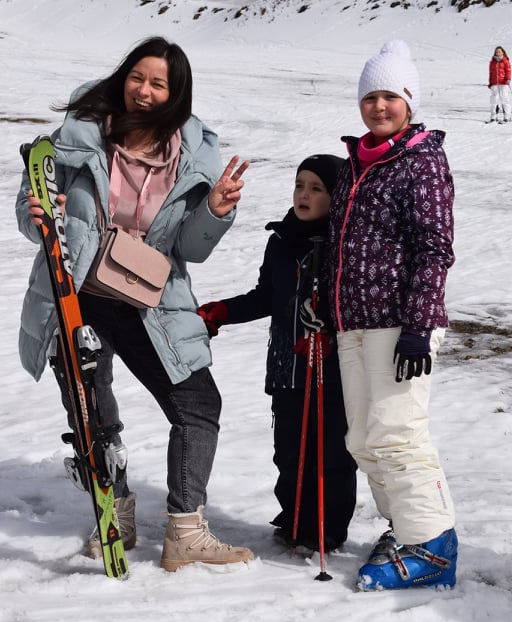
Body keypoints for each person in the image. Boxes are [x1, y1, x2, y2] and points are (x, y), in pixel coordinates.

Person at [15, 35, 254, 572]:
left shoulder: (191, 157)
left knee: (197, 406)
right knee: (92, 413)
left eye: (158, 84)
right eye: (137, 78)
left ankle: (186, 531)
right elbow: (34, 218)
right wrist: (36, 214)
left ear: (176, 93)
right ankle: (114, 513)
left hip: (151, 302)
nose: (143, 91)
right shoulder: (79, 137)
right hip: (76, 296)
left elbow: (190, 248)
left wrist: (214, 211)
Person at [327, 39, 458, 590]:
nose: (378, 106)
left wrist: (419, 327)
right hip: (353, 323)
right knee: (363, 440)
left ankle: (433, 546)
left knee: (399, 436)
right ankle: (405, 527)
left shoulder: (421, 162)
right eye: (369, 96)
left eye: (390, 96)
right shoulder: (355, 164)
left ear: (410, 102)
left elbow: (434, 248)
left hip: (401, 325)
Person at [197, 155, 357, 554]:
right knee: (289, 451)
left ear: (337, 196)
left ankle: (327, 528)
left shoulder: (348, 243)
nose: (304, 195)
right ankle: (295, 518)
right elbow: (266, 296)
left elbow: (357, 305)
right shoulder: (281, 240)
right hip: (288, 368)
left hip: (333, 372)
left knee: (331, 454)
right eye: (299, 185)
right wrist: (222, 312)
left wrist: (329, 329)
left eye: (316, 189)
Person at [487, 45, 511, 123]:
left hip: (503, 83)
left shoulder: (505, 61)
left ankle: (507, 116)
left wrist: (508, 79)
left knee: (505, 99)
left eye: (499, 51)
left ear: (502, 52)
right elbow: (491, 73)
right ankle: (493, 117)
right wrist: (490, 82)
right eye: (497, 51)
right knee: (494, 100)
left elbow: (508, 70)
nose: (498, 53)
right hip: (494, 83)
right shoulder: (492, 62)